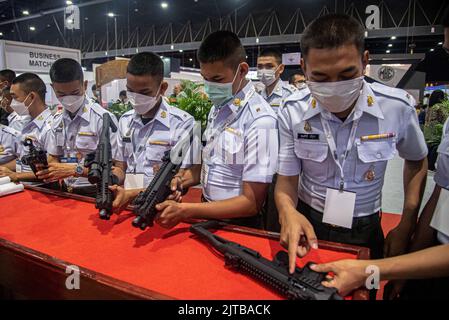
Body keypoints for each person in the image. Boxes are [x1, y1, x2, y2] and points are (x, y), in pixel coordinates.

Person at [275, 14, 428, 278]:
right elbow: (287, 179)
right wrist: (287, 211)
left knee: (362, 292)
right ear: (303, 66)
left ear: (365, 61)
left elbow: (416, 160)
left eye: (347, 74)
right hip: (309, 221)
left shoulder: (396, 107)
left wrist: (407, 222)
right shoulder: (293, 111)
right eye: (320, 78)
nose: (334, 87)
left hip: (366, 227)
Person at [112, 31, 278, 229]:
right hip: (208, 210)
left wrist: (186, 210)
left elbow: (251, 203)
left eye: (216, 79)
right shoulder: (218, 109)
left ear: (242, 71)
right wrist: (179, 181)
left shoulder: (260, 120)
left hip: (239, 224)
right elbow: (206, 168)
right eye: (205, 78)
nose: (209, 88)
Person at [311, 119, 449, 299]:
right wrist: (412, 251)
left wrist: (375, 269)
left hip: (368, 231)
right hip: (429, 255)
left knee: (368, 290)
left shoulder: (396, 105)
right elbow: (441, 196)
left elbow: (416, 159)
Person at [108, 52, 195, 206]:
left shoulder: (182, 123)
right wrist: (111, 180)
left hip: (159, 205)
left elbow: (186, 175)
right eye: (130, 91)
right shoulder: (125, 121)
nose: (135, 98)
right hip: (126, 203)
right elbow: (121, 167)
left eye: (144, 93)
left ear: (162, 88)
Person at [35, 58, 125, 196]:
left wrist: (76, 170)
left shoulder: (103, 119)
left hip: (95, 192)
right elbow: (53, 157)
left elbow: (118, 169)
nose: (69, 99)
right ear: (53, 88)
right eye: (62, 95)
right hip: (64, 192)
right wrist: (51, 169)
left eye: (75, 93)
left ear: (85, 85)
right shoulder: (57, 120)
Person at [0, 73, 53, 182]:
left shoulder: (51, 126)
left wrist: (16, 176)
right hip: (26, 186)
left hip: (44, 188)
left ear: (32, 97)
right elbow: (22, 159)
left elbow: (53, 168)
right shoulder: (26, 122)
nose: (12, 103)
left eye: (15, 97)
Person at [256, 48, 296, 114]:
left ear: (280, 68)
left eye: (269, 66)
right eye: (260, 67)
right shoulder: (258, 95)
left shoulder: (291, 95)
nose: (263, 71)